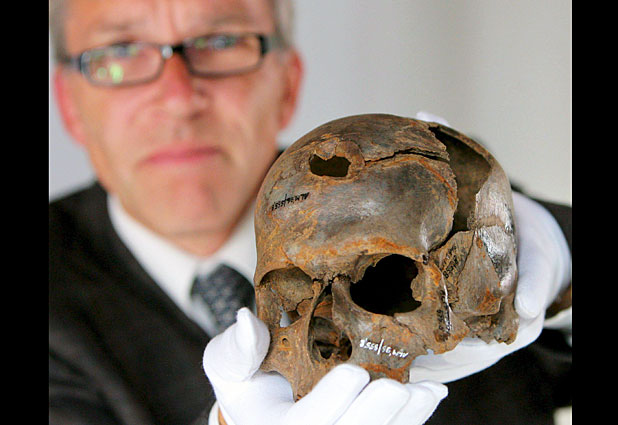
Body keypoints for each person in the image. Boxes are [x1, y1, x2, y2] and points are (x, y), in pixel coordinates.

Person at [49, 0, 572, 424]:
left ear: (288, 83)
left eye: (221, 41)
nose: (178, 97)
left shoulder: (442, 209)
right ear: (69, 104)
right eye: (119, 52)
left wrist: (562, 258)